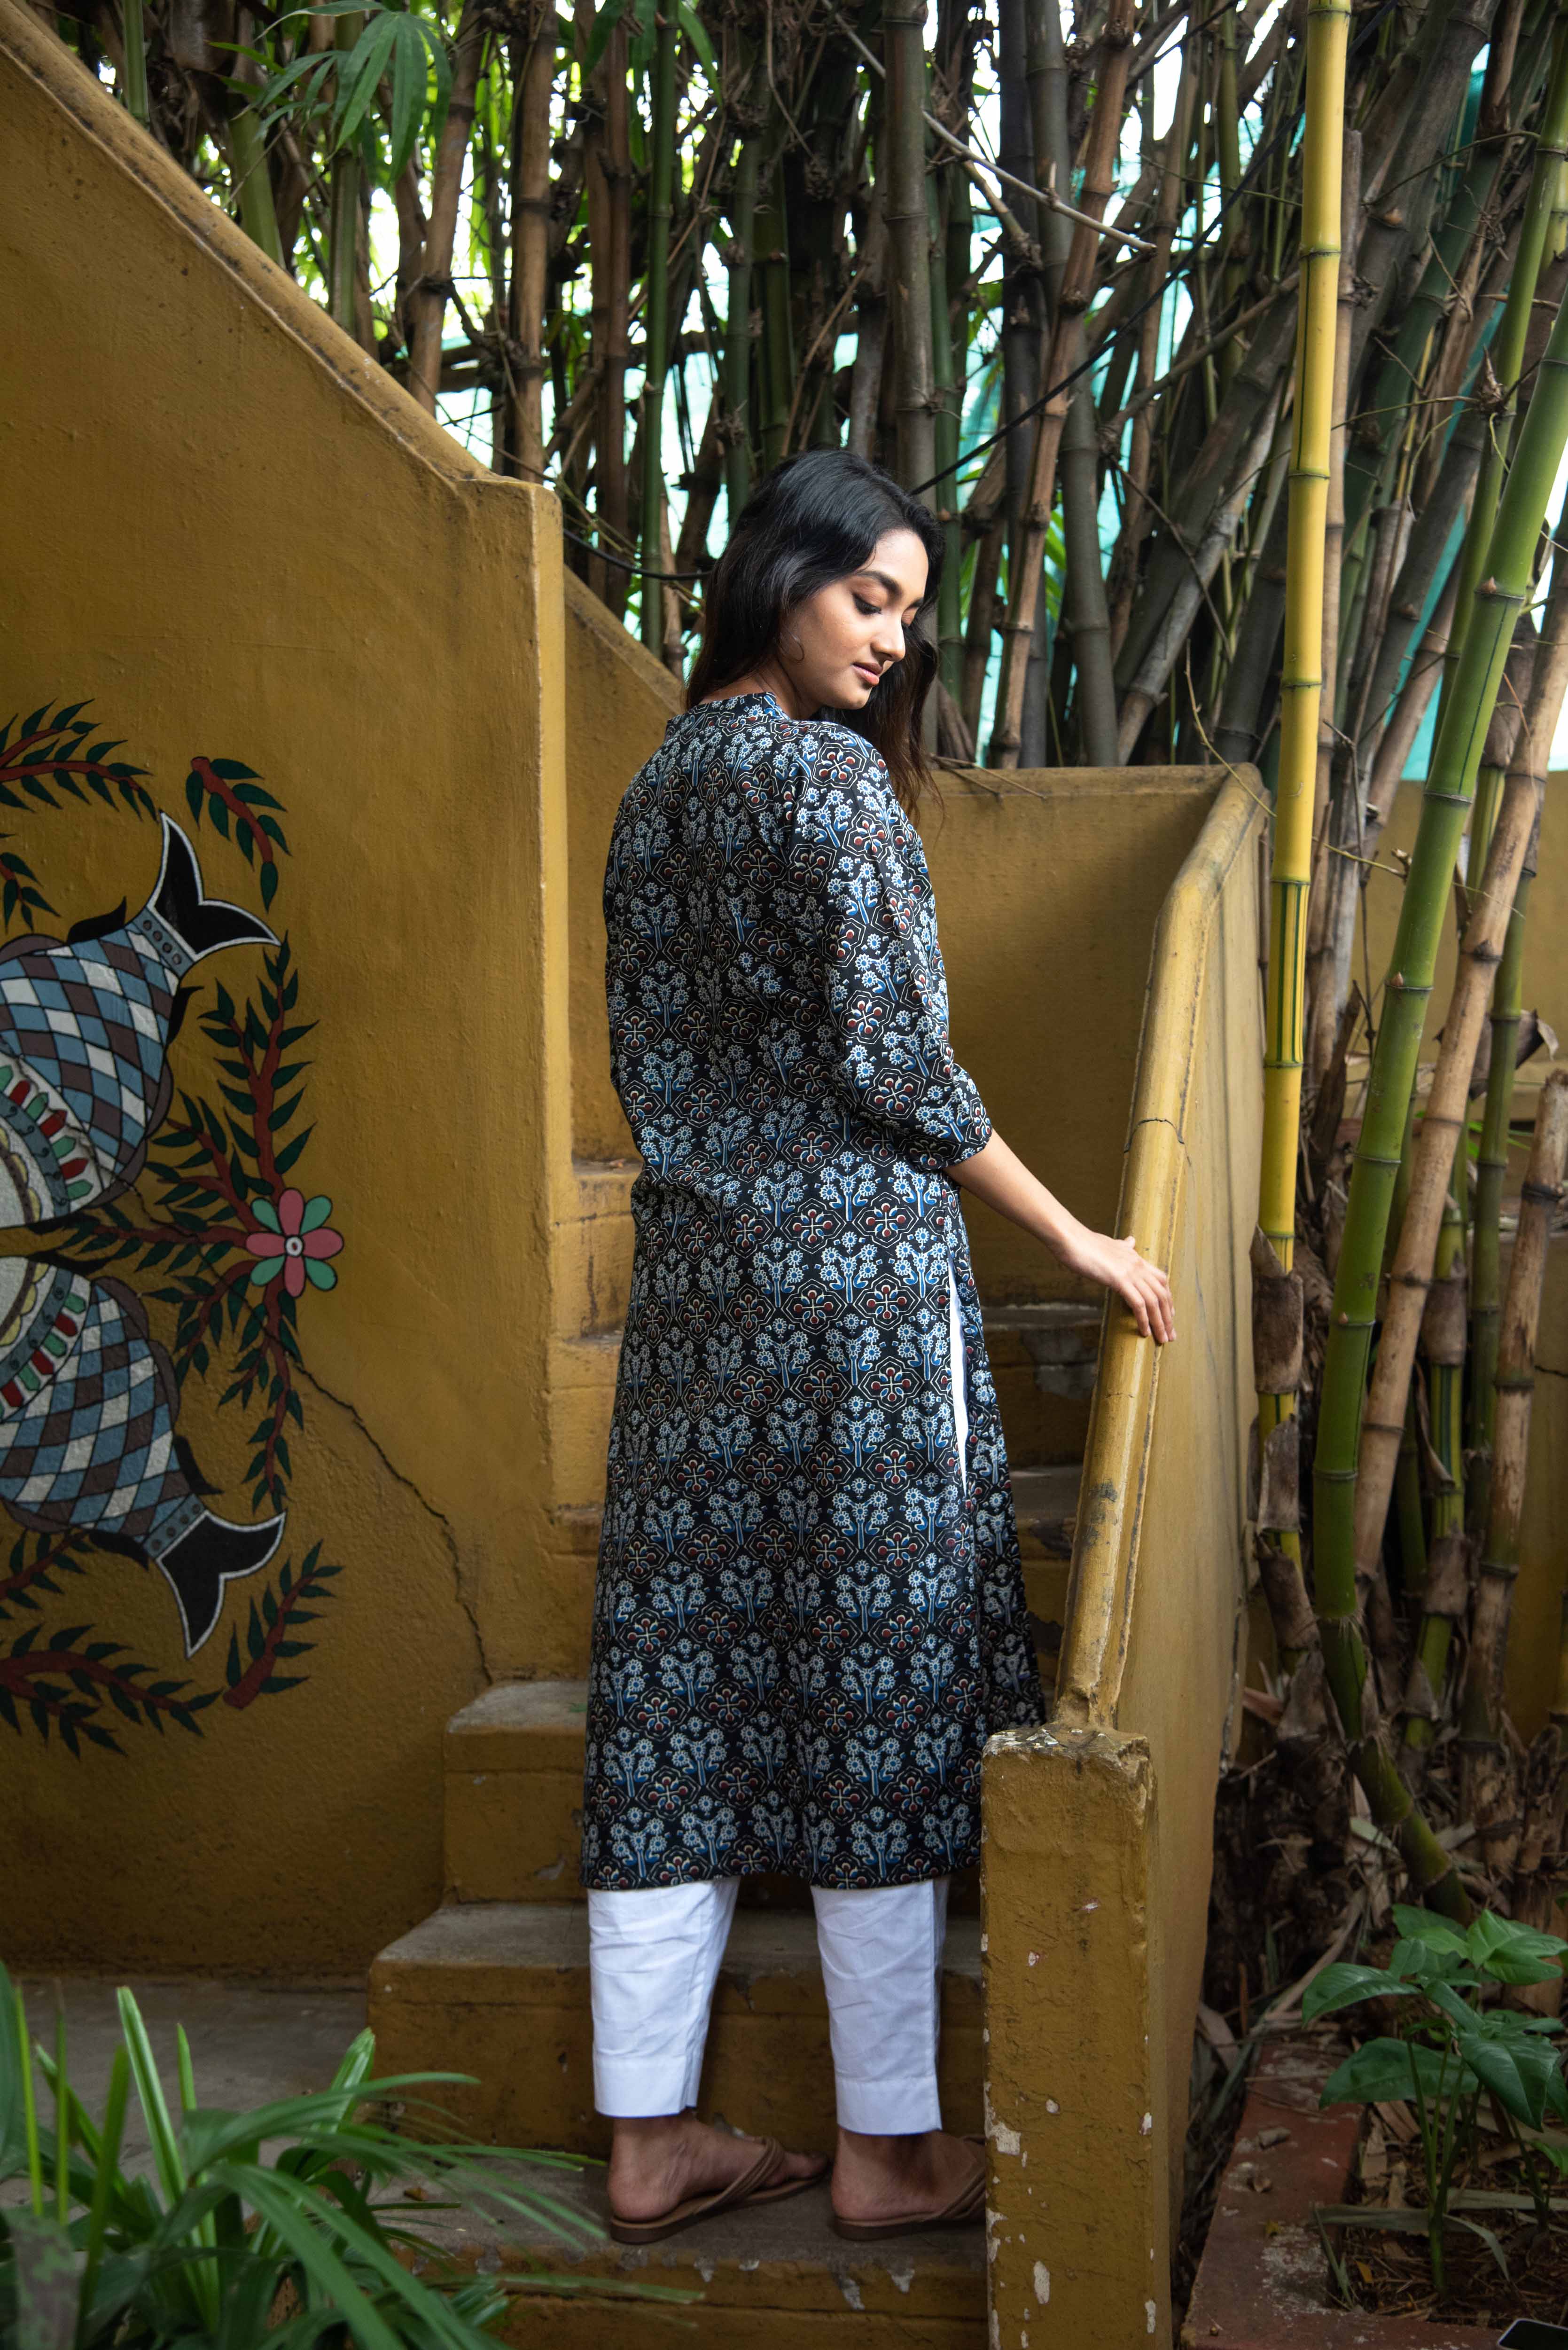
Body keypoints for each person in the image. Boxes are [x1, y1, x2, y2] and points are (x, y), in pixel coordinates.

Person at [579, 448, 1176, 2246]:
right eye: (870, 598)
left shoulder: (657, 788)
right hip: (850, 1306)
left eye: (909, 613)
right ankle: (889, 2146)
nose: (895, 642)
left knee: (677, 1686)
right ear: (783, 578)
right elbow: (900, 1068)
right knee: (883, 1686)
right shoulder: (824, 782)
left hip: (698, 1307)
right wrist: (1074, 1237)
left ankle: (647, 2138)